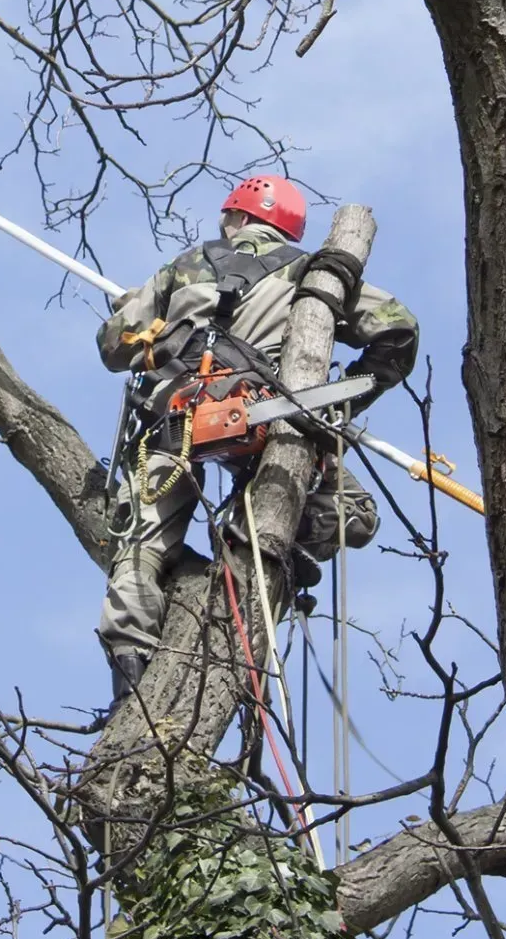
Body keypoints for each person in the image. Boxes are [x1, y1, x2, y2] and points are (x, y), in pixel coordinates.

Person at [96, 174, 419, 699]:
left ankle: (131, 687)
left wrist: (138, 313)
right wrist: (344, 398)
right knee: (355, 514)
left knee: (142, 545)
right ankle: (261, 536)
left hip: (175, 422)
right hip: (267, 413)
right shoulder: (314, 274)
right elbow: (398, 329)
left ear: (237, 216)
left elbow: (112, 346)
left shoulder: (185, 266)